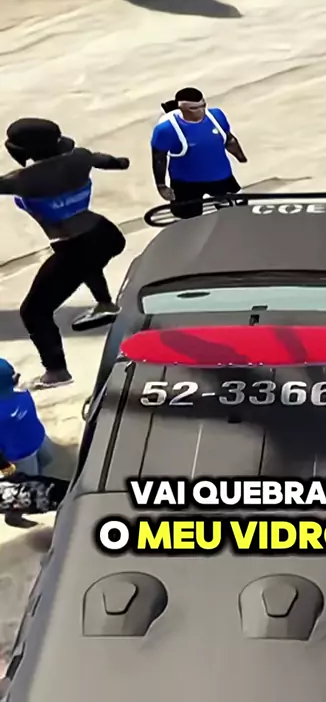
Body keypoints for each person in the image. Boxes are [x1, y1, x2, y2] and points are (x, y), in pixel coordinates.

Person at [0, 118, 129, 389]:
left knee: (34, 312)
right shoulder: (79, 158)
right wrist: (120, 163)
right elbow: (105, 160)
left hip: (73, 246)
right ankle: (105, 305)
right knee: (88, 264)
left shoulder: (22, 181)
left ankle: (56, 371)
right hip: (106, 234)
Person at [151, 87, 247, 219]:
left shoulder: (216, 116)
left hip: (221, 176)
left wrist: (239, 155)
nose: (201, 111)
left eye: (203, 106)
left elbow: (229, 139)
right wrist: (161, 185)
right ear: (181, 108)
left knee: (237, 211)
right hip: (185, 183)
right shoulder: (166, 130)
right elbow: (159, 159)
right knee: (188, 218)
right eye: (194, 108)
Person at [0, 359, 56, 526]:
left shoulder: (21, 393)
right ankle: (14, 516)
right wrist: (5, 467)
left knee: (48, 459)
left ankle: (39, 479)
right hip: (19, 455)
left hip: (38, 439)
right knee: (25, 488)